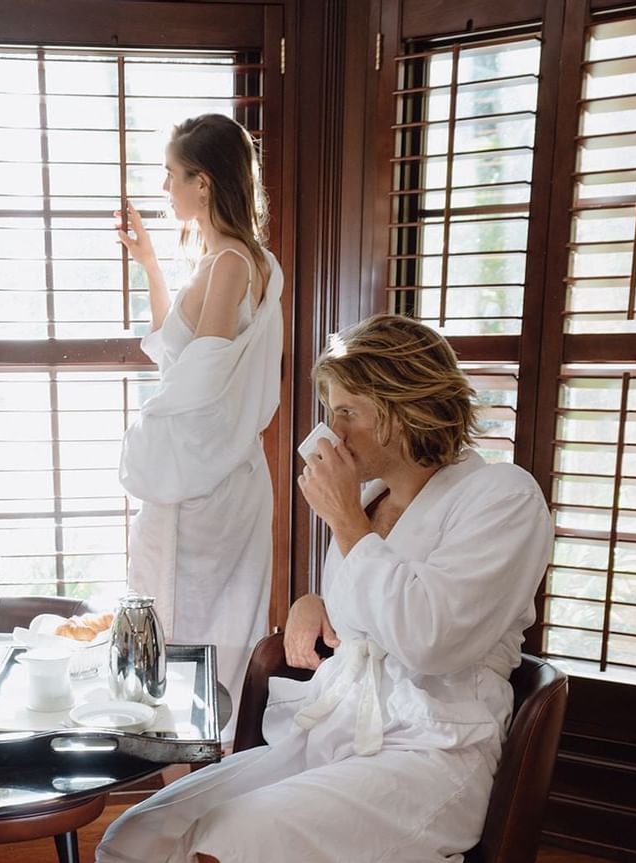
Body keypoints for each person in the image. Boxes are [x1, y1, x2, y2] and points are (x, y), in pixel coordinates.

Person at [96, 314, 554, 863]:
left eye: (346, 413)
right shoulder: (373, 499)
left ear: (403, 407)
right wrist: (314, 602)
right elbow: (371, 603)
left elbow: (430, 641)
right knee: (138, 834)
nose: (331, 433)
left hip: (429, 751)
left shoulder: (503, 496)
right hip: (338, 732)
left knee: (230, 839)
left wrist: (346, 523)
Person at [115, 114, 283, 742]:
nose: (165, 188)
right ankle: (189, 763)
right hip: (219, 475)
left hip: (206, 486)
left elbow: (201, 380)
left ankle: (190, 766)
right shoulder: (232, 259)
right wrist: (151, 266)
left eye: (172, 175)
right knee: (192, 629)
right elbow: (176, 351)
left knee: (189, 633)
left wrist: (142, 429)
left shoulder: (231, 262)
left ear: (203, 182)